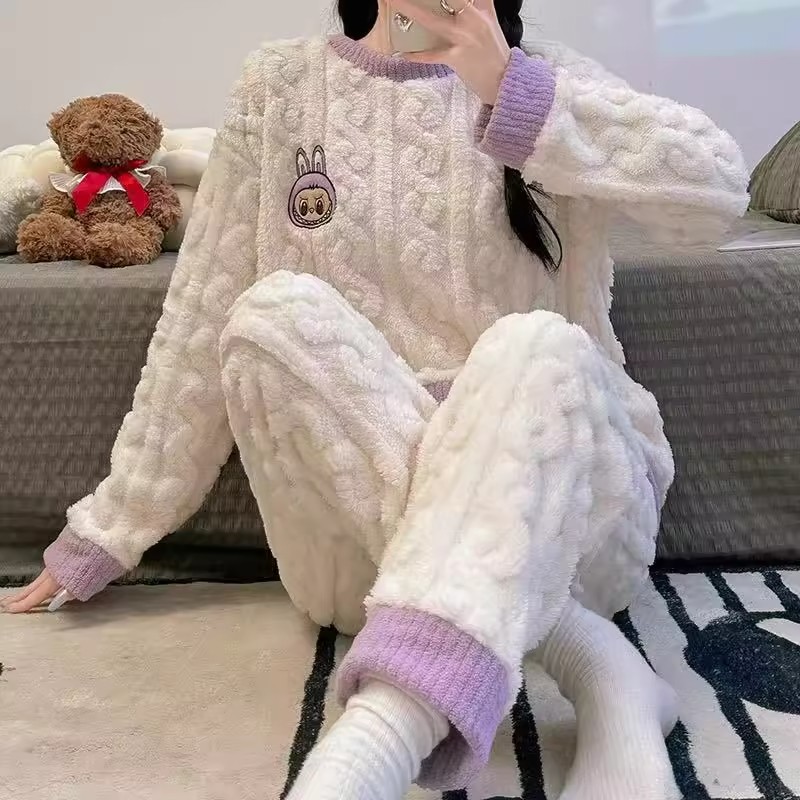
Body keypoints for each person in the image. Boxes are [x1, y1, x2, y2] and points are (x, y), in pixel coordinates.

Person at [3, 0, 750, 797]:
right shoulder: (279, 87)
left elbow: (716, 191)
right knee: (267, 315)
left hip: (569, 525)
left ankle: (380, 739)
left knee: (536, 345)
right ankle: (593, 658)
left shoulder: (547, 78)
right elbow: (199, 316)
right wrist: (108, 529)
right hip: (355, 557)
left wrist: (516, 94)